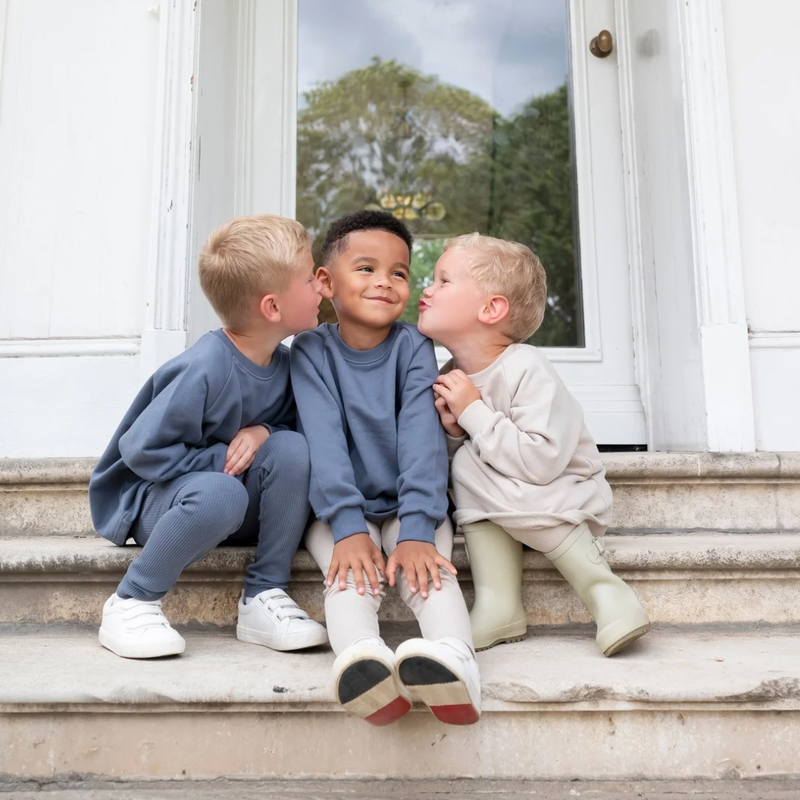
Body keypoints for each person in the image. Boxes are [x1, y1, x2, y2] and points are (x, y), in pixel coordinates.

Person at [90, 214, 328, 659]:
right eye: (307, 278)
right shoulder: (205, 367)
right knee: (221, 492)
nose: (320, 284)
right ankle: (131, 600)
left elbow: (299, 433)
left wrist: (264, 432)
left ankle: (264, 594)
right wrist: (220, 460)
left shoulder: (288, 364)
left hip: (229, 504)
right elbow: (142, 450)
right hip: (157, 501)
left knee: (292, 448)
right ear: (272, 307)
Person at [417, 232, 650, 657]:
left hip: (566, 495)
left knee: (470, 463)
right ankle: (498, 603)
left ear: (491, 309)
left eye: (443, 280)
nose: (427, 289)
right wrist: (454, 432)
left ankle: (605, 590)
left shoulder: (526, 366)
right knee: (465, 463)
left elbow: (541, 462)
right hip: (506, 499)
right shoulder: (451, 374)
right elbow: (462, 468)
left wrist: (473, 412)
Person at [290, 211, 480, 727]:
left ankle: (456, 662)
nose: (384, 282)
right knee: (350, 579)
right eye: (366, 268)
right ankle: (363, 662)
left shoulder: (413, 346)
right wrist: (348, 526)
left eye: (398, 272)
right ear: (326, 282)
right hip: (336, 507)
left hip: (409, 502)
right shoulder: (310, 351)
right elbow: (323, 441)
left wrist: (417, 529)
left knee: (429, 575)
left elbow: (422, 439)